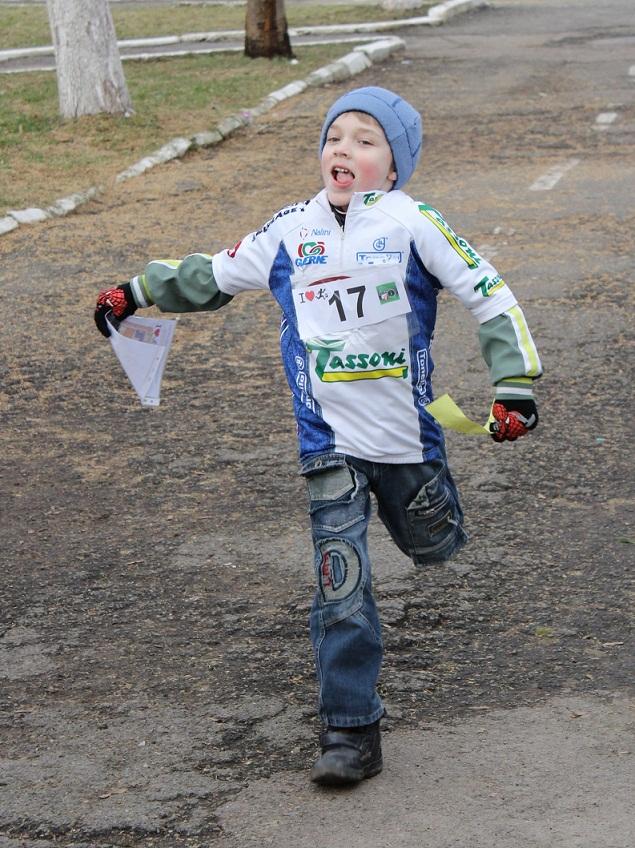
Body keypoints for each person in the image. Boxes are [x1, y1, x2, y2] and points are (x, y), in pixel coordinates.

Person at [95, 86, 542, 787]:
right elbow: (212, 275)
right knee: (342, 584)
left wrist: (513, 386)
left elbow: (490, 295)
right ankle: (349, 729)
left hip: (407, 439)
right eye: (335, 136)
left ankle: (431, 515)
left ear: (393, 166)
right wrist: (136, 291)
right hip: (327, 443)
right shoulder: (289, 229)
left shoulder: (413, 222)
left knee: (435, 541)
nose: (344, 149)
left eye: (365, 140)